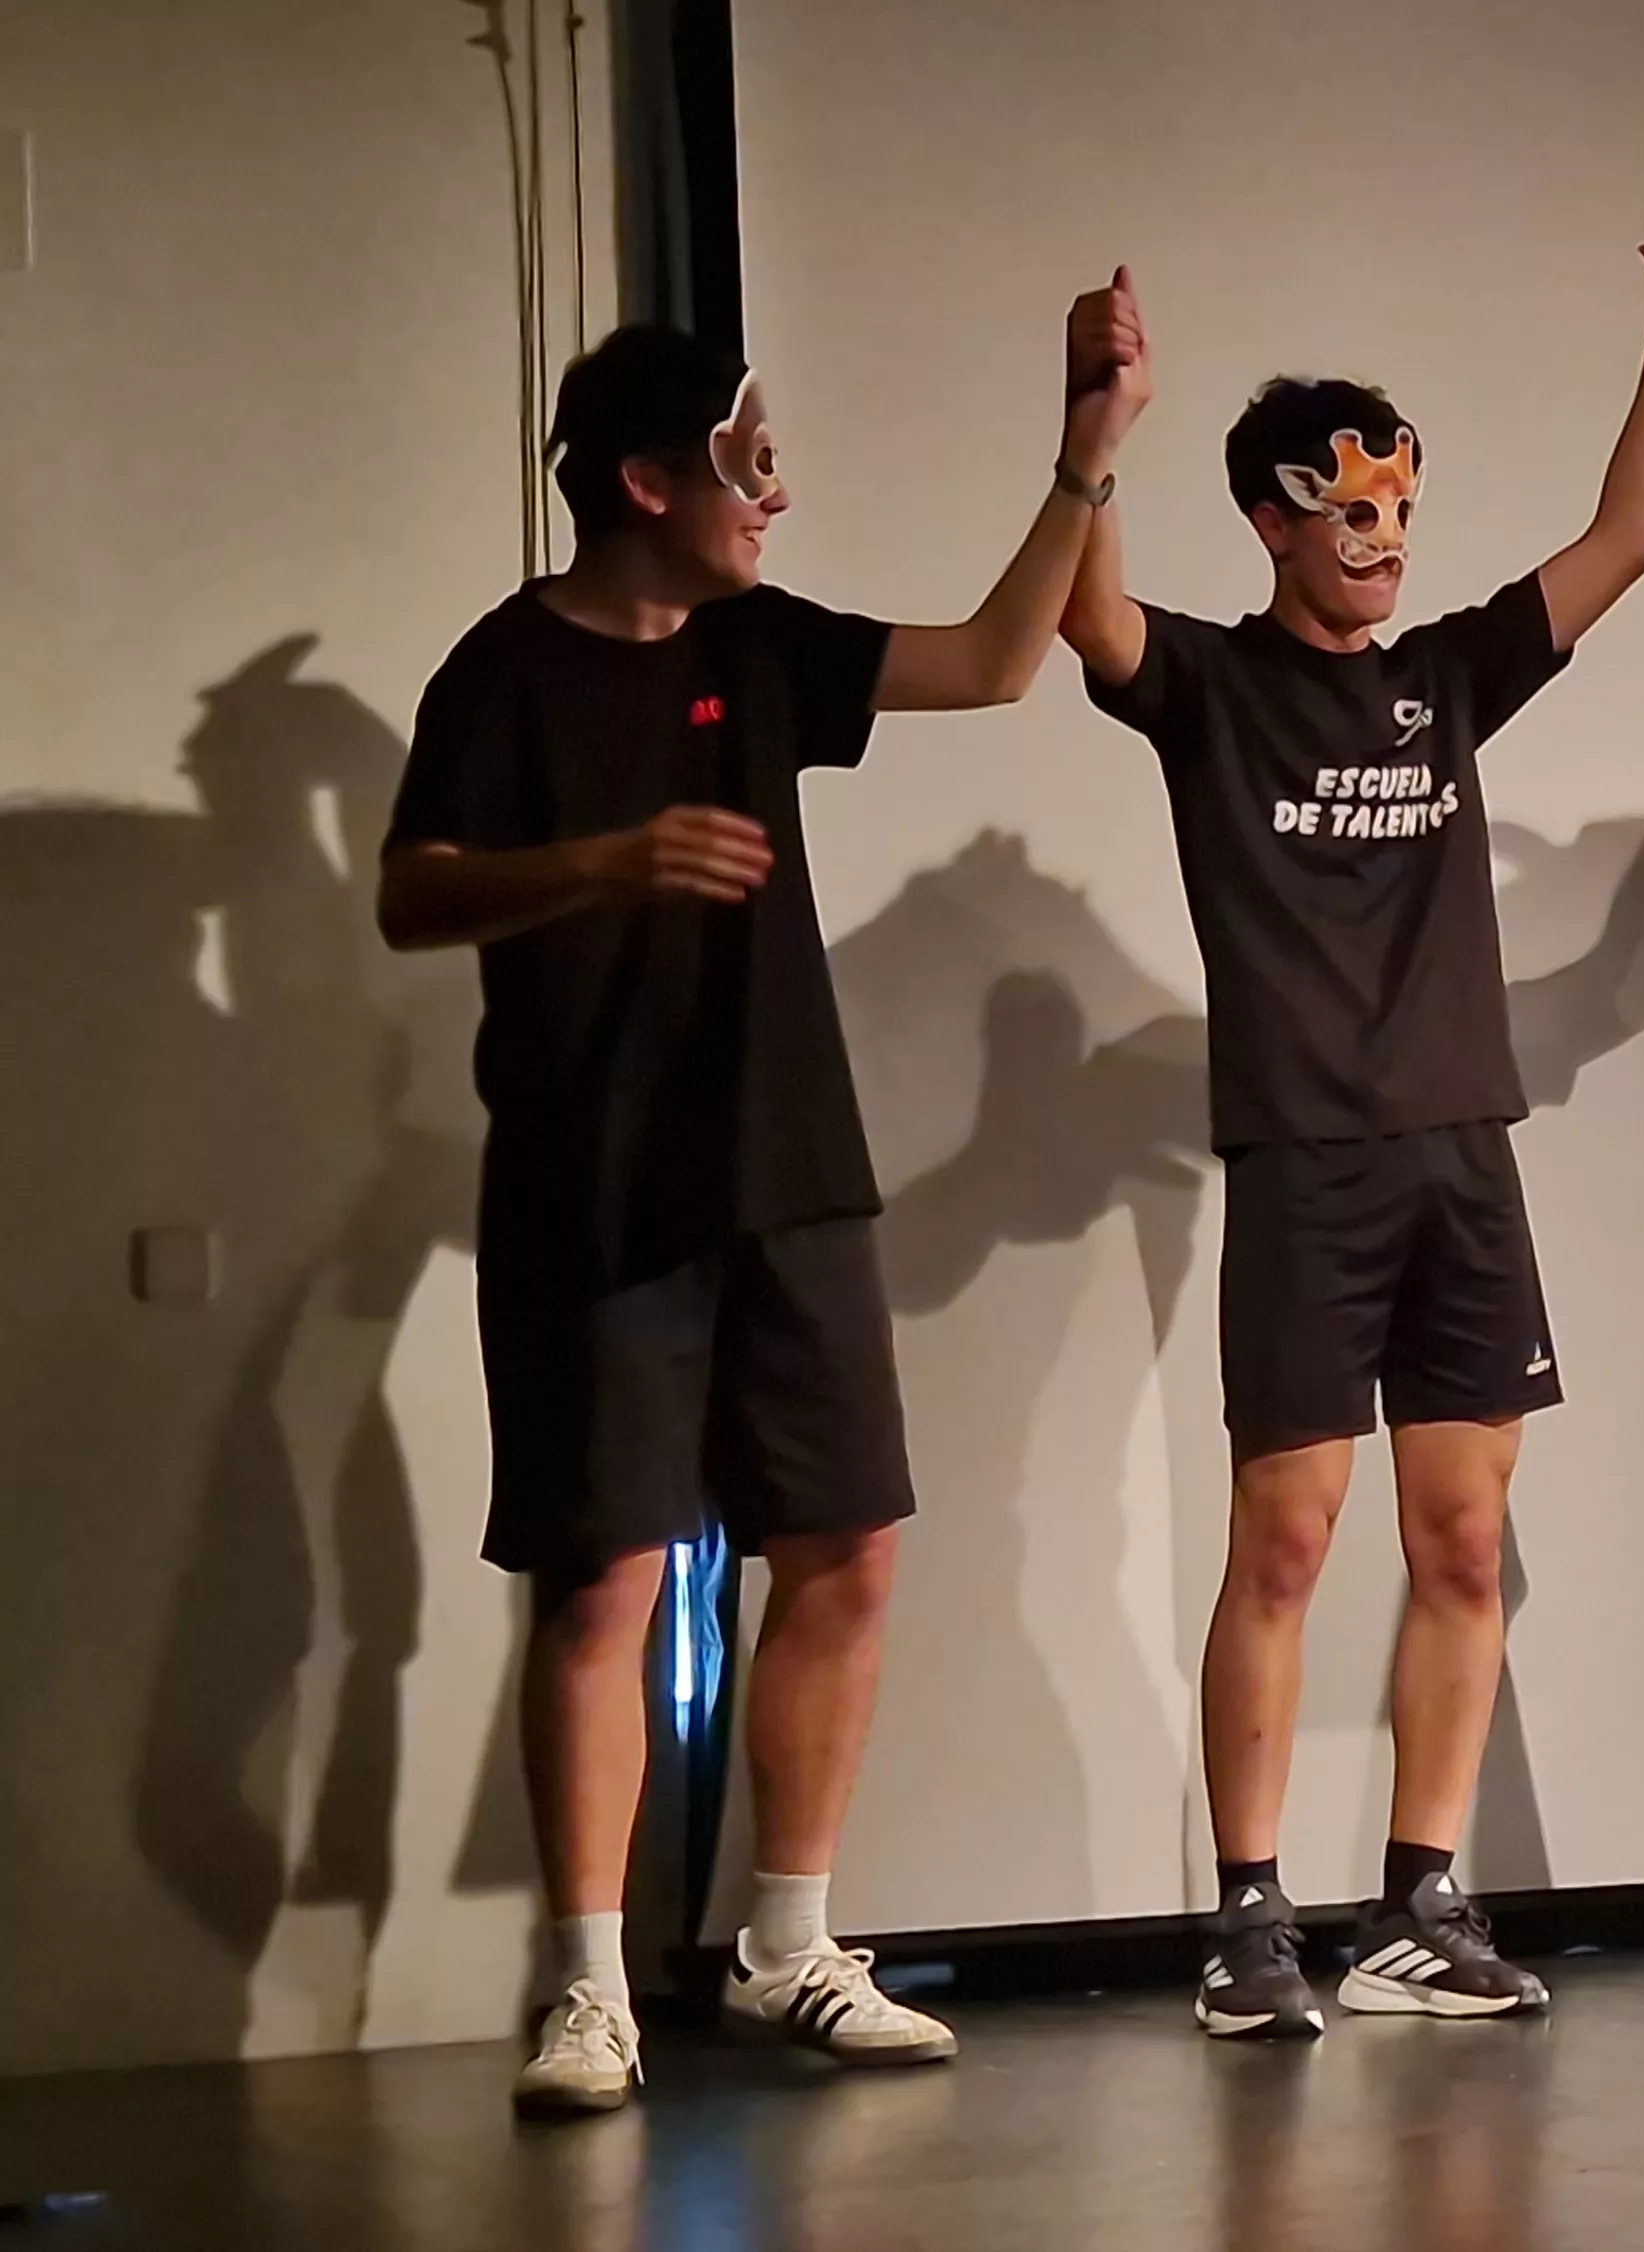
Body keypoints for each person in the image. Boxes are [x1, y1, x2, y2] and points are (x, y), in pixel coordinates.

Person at [375, 290, 1149, 2118]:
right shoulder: (507, 669)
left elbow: (991, 660)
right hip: (598, 1187)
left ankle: (789, 1944)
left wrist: (1084, 459)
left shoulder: (764, 643)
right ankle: (585, 1990)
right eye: (744, 457)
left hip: (788, 1165)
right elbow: (413, 893)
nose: (772, 493)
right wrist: (605, 859)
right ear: (648, 478)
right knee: (605, 1580)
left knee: (849, 1547)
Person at [1058, 202, 1644, 2033]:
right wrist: (1091, 439)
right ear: (1273, 517)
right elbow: (1080, 616)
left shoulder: (1444, 680)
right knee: (1284, 1538)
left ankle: (1420, 1896)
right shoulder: (1212, 684)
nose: (1384, 546)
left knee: (1467, 1540)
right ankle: (1250, 1913)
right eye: (1352, 516)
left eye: (1402, 515)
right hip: (1306, 1163)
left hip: (1460, 1156)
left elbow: (1634, 534)